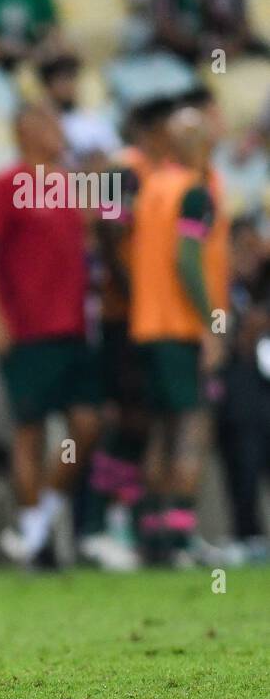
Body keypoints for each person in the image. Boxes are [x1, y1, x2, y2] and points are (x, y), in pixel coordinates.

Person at [0, 105, 101, 566]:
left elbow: (89, 244)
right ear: (27, 130)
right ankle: (33, 532)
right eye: (50, 122)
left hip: (73, 327)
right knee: (30, 431)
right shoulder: (4, 187)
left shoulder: (72, 185)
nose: (59, 129)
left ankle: (39, 519)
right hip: (26, 329)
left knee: (87, 423)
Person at [128, 106, 229, 563]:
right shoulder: (193, 192)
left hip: (147, 325)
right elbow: (186, 260)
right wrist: (212, 323)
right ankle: (180, 536)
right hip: (180, 326)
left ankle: (153, 536)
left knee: (161, 431)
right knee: (191, 427)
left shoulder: (153, 187)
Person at [79, 96, 174, 570]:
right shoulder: (122, 171)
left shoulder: (162, 173)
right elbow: (111, 237)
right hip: (127, 318)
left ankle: (138, 526)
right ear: (152, 128)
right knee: (127, 416)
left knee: (148, 420)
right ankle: (96, 527)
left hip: (155, 318)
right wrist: (140, 300)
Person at [214, 219, 270, 562]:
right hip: (237, 387)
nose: (250, 255)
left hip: (262, 386)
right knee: (243, 457)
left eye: (255, 247)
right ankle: (247, 533)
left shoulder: (263, 284)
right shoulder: (220, 283)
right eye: (243, 248)